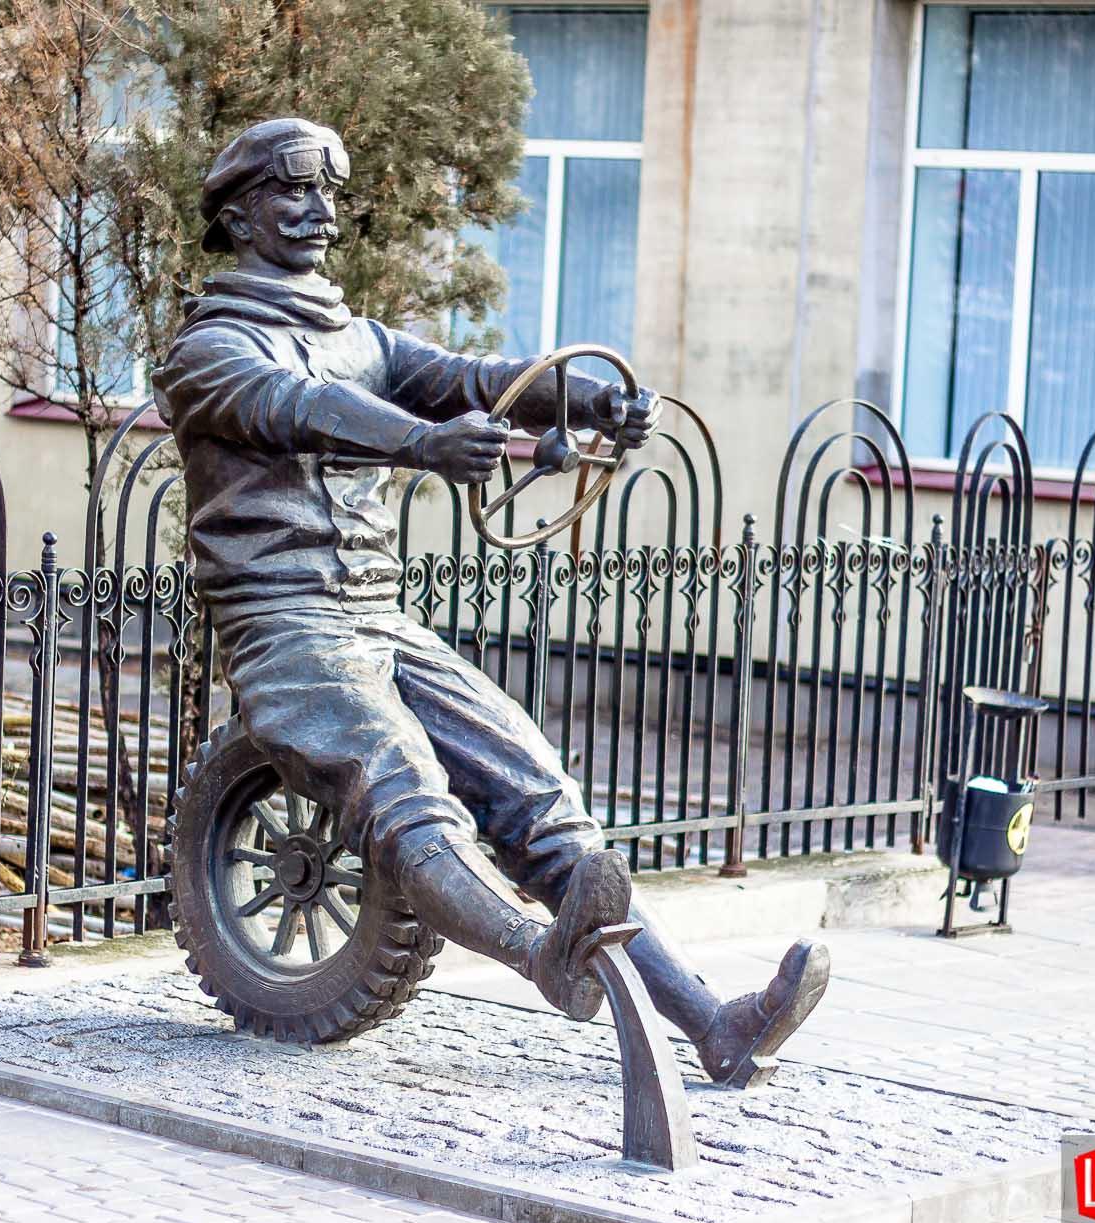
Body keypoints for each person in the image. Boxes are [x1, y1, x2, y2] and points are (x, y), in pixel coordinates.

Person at [152, 118, 828, 1086]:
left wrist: (585, 401)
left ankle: (713, 1021)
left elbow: (474, 381)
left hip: (377, 620)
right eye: (293, 191)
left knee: (536, 789)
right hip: (284, 623)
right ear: (239, 214)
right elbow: (298, 408)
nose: (319, 211)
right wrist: (422, 444)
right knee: (404, 787)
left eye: (329, 193)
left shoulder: (360, 339)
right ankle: (537, 953)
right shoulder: (209, 349)